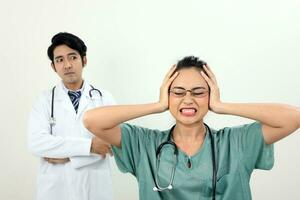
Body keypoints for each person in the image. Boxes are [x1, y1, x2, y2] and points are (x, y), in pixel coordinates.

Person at [83, 56, 300, 200]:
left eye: (198, 92)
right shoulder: (144, 144)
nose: (188, 99)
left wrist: (222, 106)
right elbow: (92, 120)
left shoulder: (237, 142)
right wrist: (157, 106)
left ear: (210, 96)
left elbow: (293, 117)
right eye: (178, 92)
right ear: (167, 96)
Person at [28, 32, 115, 200]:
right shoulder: (44, 101)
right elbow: (36, 144)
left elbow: (112, 146)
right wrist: (90, 147)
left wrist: (67, 156)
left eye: (72, 57)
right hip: (56, 191)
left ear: (84, 60)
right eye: (59, 60)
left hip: (95, 189)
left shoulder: (104, 98)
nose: (67, 65)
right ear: (53, 66)